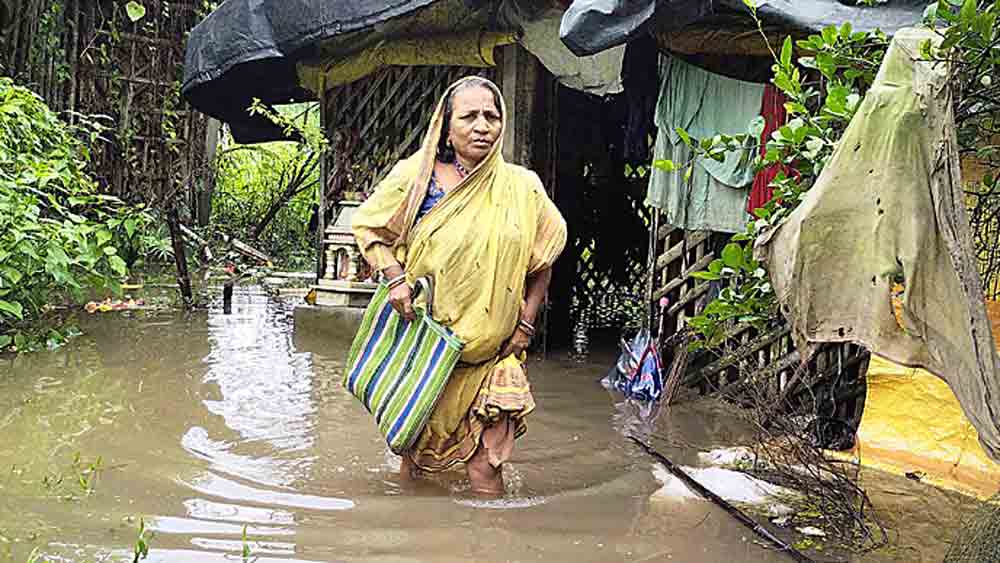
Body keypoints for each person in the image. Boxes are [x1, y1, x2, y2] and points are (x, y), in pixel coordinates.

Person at [351, 76, 567, 494]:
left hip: (495, 354)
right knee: (413, 465)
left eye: (492, 116)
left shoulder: (523, 187)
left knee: (486, 470)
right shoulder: (417, 177)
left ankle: (490, 547)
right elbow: (369, 227)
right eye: (469, 116)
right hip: (428, 352)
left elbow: (546, 253)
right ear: (446, 128)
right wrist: (395, 278)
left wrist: (526, 323)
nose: (482, 126)